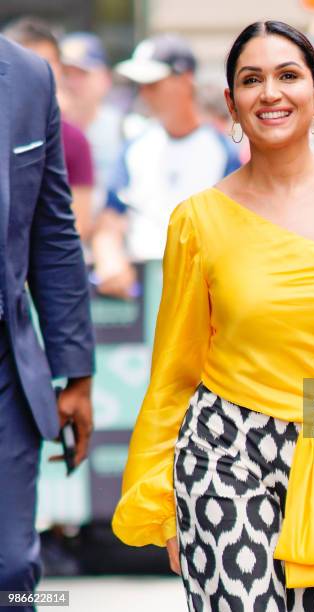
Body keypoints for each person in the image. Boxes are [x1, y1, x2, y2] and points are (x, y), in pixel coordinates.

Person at [112, 21, 314, 611]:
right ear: (232, 101)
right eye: (251, 79)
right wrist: (162, 497)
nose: (270, 93)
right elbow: (173, 373)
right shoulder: (198, 219)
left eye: (288, 76)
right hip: (220, 448)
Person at [0, 34, 94, 607]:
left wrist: (76, 371)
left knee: (11, 570)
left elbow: (53, 228)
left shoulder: (29, 76)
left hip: (7, 366)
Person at [91, 34, 240, 299]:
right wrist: (109, 257)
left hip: (203, 294)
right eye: (140, 85)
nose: (144, 93)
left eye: (153, 84)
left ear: (185, 80)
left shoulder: (223, 150)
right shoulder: (134, 148)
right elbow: (110, 220)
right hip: (142, 292)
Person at [3, 17, 95, 242]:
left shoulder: (73, 139)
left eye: (45, 63)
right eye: (28, 62)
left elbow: (79, 221)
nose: (33, 74)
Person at [60, 32, 123, 220]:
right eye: (66, 73)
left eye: (82, 73)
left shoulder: (126, 129)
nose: (73, 82)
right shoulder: (47, 131)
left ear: (105, 78)